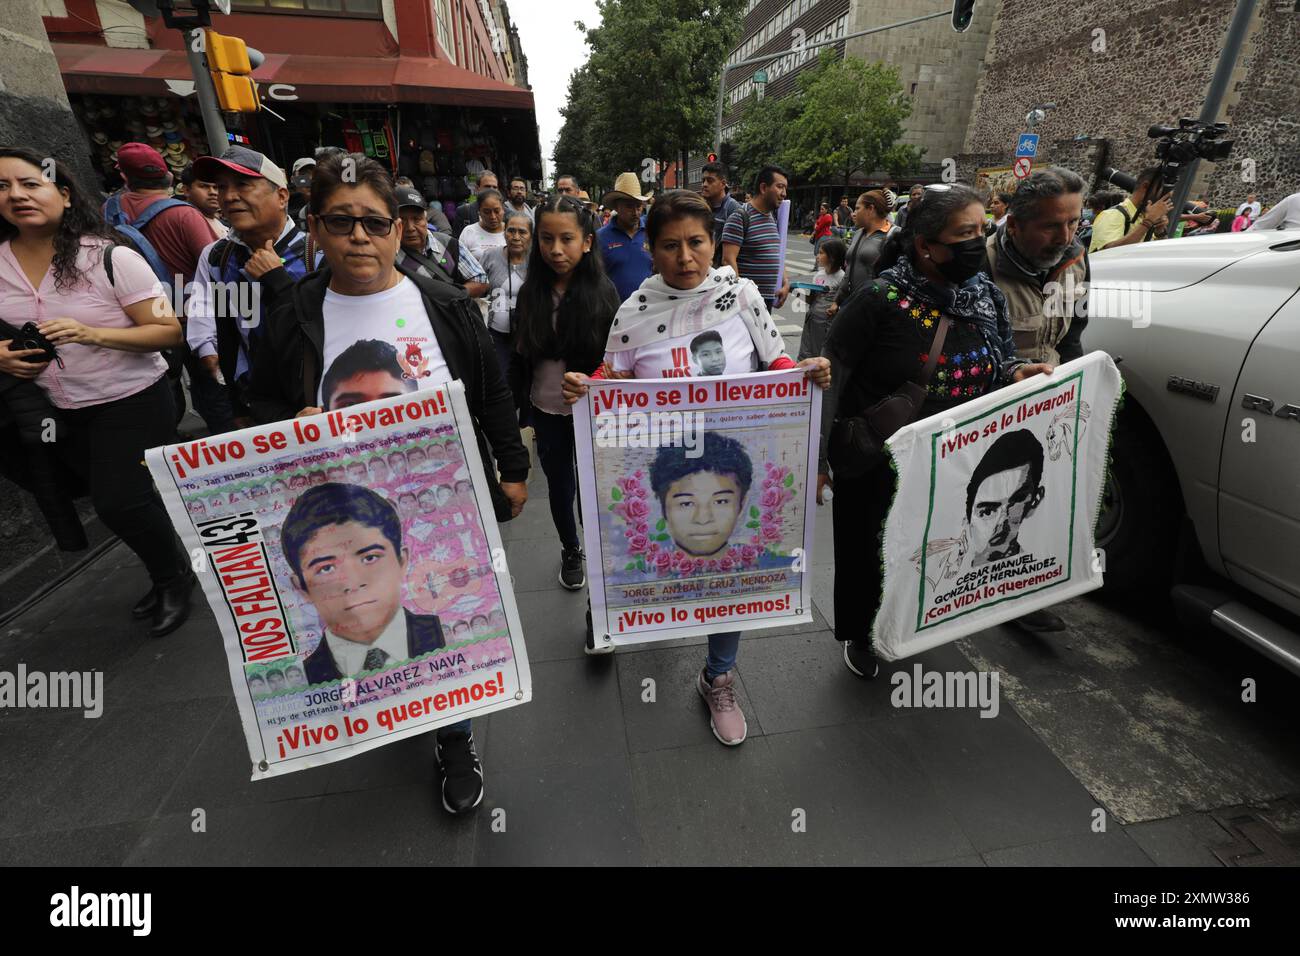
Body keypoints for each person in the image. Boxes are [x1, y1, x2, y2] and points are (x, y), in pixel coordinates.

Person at [250, 151, 531, 815]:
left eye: (374, 223)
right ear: (313, 226)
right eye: (340, 221)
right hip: (338, 510)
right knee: (360, 618)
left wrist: (512, 470)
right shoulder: (291, 312)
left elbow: (489, 393)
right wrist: (291, 424)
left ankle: (453, 735)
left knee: (442, 624)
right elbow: (256, 404)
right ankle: (376, 704)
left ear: (397, 227)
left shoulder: (440, 302)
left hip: (439, 506)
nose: (358, 238)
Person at [561, 188, 830, 742]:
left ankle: (719, 676)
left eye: (697, 243)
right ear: (651, 249)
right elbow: (611, 380)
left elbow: (776, 361)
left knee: (729, 569)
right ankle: (627, 614)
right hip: (663, 475)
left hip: (732, 467)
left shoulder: (743, 295)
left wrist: (802, 373)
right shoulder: (633, 312)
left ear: (713, 242)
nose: (686, 258)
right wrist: (585, 387)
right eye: (670, 246)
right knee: (660, 563)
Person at [818, 183, 1053, 678]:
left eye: (981, 229)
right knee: (870, 547)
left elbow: (998, 356)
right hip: (879, 459)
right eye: (963, 233)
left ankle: (913, 620)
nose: (977, 241)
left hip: (954, 458)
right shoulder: (879, 299)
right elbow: (833, 372)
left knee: (928, 545)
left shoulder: (984, 294)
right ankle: (861, 632)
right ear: (926, 245)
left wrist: (1013, 372)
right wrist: (818, 458)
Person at [0, 146, 194, 637]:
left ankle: (173, 578)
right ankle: (169, 563)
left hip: (132, 398)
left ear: (63, 194)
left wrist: (93, 334)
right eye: (2, 187)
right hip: (55, 408)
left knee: (118, 501)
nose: (17, 195)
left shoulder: (109, 257)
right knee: (121, 497)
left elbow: (169, 332)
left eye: (30, 183)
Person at [983, 166, 1088, 632]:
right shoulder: (977, 264)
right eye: (1051, 225)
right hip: (983, 407)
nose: (1065, 236)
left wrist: (1071, 389)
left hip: (1044, 404)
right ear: (1016, 223)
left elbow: (1073, 334)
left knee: (1029, 502)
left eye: (1074, 222)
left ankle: (1017, 594)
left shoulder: (1077, 259)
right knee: (983, 501)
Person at [508, 194, 621, 591]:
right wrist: (521, 413)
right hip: (547, 411)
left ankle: (606, 549)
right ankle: (571, 549)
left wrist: (594, 379)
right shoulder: (529, 294)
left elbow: (618, 358)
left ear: (587, 241)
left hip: (594, 412)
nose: (556, 250)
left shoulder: (604, 293)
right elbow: (521, 359)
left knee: (598, 485)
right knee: (560, 485)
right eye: (546, 239)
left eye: (567, 239)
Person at [186, 146, 317, 433]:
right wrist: (235, 398)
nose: (230, 196)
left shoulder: (317, 252)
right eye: (222, 187)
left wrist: (277, 279)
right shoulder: (218, 258)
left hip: (316, 402)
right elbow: (222, 324)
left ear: (282, 196)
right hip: (258, 405)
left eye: (243, 185)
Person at [103, 144, 227, 432]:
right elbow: (217, 266)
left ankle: (166, 446)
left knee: (162, 390)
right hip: (193, 317)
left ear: (123, 176)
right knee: (213, 385)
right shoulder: (184, 215)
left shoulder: (107, 212)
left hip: (144, 321)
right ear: (170, 178)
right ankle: (226, 445)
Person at [963, 430, 1046, 566]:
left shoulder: (1043, 571)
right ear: (968, 518)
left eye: (1016, 501)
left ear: (1034, 501)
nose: (1002, 521)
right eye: (987, 512)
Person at [393, 185, 488, 297]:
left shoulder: (449, 244)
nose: (410, 228)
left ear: (425, 220)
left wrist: (454, 297)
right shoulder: (390, 255)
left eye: (416, 219)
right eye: (402, 221)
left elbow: (481, 280)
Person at [721, 165, 791, 310]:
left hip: (767, 301)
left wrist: (785, 282)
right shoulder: (740, 217)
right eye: (780, 187)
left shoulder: (772, 218)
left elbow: (777, 255)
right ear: (764, 188)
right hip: (747, 303)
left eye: (785, 188)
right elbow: (728, 260)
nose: (784, 193)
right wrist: (741, 298)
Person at [481, 209, 531, 381]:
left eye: (522, 232)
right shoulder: (490, 256)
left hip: (528, 337)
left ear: (531, 236)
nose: (516, 237)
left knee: (525, 381)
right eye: (511, 231)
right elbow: (481, 290)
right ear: (504, 232)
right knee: (499, 380)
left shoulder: (537, 262)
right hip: (496, 335)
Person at [831, 189, 893, 319]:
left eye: (858, 208)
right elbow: (849, 270)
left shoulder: (894, 235)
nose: (854, 213)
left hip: (876, 311)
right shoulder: (858, 233)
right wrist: (837, 300)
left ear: (870, 209)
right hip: (852, 305)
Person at [1088, 166, 1175, 252]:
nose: (1163, 201)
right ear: (1146, 186)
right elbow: (1110, 253)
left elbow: (1161, 254)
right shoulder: (1113, 214)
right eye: (1162, 195)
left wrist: (1160, 231)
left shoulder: (1145, 217)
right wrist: (1148, 221)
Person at [598, 172, 654, 301]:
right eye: (629, 206)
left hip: (649, 311)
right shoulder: (601, 238)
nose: (635, 212)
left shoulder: (652, 232)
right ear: (617, 207)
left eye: (638, 206)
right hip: (614, 312)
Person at [797, 237, 845, 361]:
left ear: (832, 257)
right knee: (807, 352)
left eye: (821, 253)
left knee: (821, 354)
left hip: (827, 323)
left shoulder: (842, 277)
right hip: (812, 321)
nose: (817, 256)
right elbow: (812, 300)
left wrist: (836, 306)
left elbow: (843, 303)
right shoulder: (819, 275)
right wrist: (797, 293)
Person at [699, 160, 740, 265]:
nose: (704, 184)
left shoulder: (733, 209)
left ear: (723, 184)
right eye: (703, 180)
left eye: (710, 181)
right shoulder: (702, 207)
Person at [176, 163, 227, 240]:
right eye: (204, 186)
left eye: (216, 187)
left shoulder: (224, 225)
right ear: (186, 190)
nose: (213, 192)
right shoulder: (182, 223)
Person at [457, 187, 507, 264]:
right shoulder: (469, 231)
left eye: (497, 211)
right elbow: (460, 262)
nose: (493, 217)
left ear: (503, 210)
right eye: (487, 212)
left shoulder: (512, 232)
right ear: (479, 212)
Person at [452, 170, 498, 237]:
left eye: (494, 187)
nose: (491, 190)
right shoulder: (464, 212)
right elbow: (456, 243)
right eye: (487, 186)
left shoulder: (507, 214)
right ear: (477, 188)